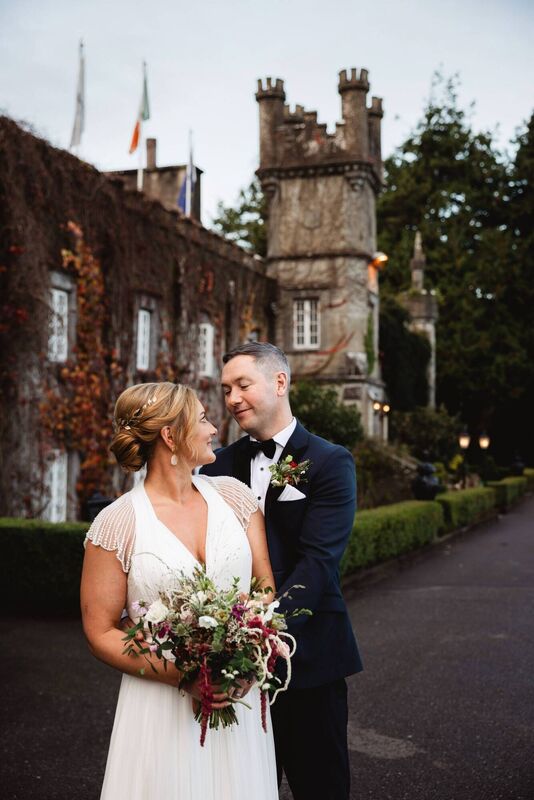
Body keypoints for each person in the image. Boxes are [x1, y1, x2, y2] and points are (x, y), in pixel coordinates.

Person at [80, 381, 279, 800]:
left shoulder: (235, 498)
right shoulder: (117, 524)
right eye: (203, 419)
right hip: (158, 708)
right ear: (170, 435)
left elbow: (263, 587)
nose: (213, 429)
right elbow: (100, 631)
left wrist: (243, 655)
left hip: (237, 699)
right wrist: (185, 675)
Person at [201, 342, 363, 800]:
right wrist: (226, 646)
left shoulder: (330, 462)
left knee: (321, 786)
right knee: (245, 788)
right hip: (233, 665)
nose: (232, 398)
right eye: (226, 388)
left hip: (309, 657)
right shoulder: (218, 466)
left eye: (243, 385)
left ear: (279, 382)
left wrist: (257, 636)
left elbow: (318, 562)